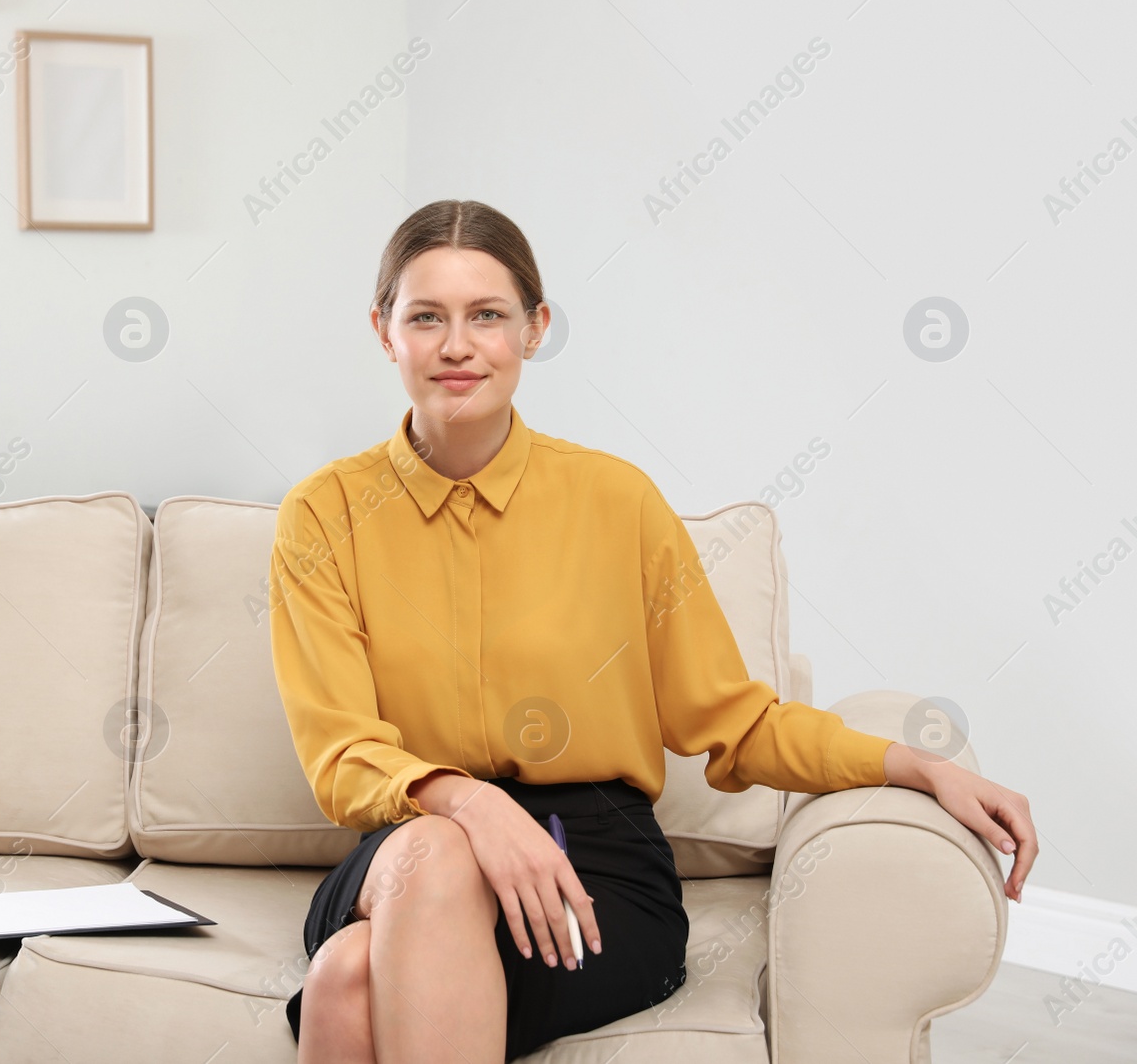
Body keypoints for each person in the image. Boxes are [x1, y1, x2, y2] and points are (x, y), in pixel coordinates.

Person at [266, 199, 1037, 1063]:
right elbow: (341, 752)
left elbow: (736, 722)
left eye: (487, 315)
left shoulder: (617, 501)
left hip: (591, 858)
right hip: (407, 853)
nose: (456, 345)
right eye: (426, 317)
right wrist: (471, 803)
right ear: (384, 331)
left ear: (535, 327)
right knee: (435, 856)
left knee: (348, 977)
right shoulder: (324, 514)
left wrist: (917, 764)